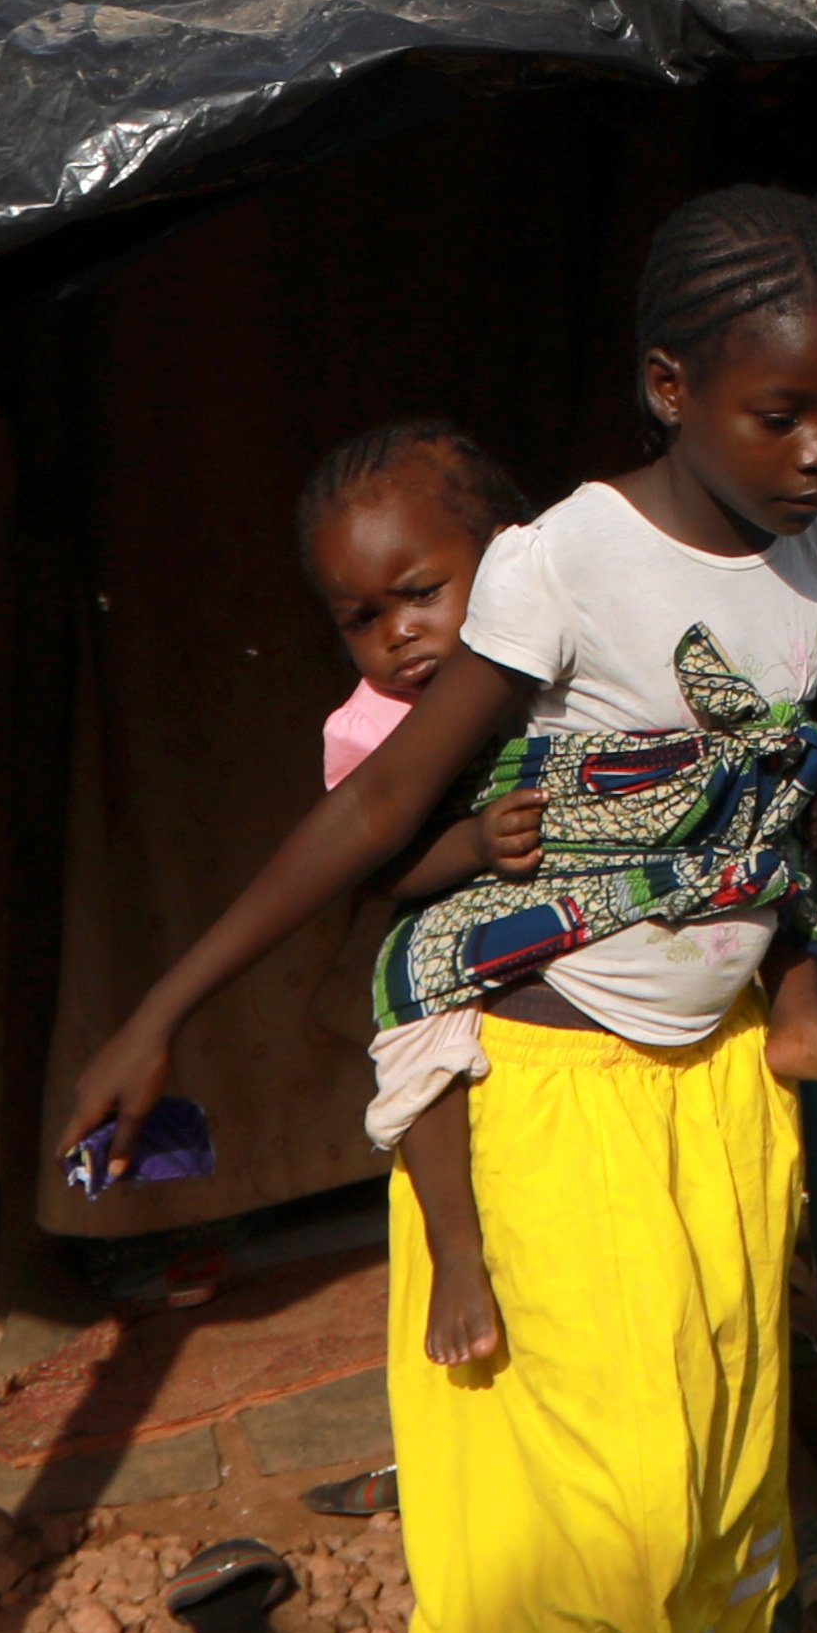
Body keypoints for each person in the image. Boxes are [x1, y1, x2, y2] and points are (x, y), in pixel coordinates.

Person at [63, 187, 817, 1633]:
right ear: (668, 387)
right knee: (558, 1562)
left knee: (694, 1515)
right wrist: (161, 1007)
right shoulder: (565, 560)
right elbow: (395, 798)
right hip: (542, 1116)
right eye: (781, 413)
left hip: (709, 1110)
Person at [291, 416, 554, 1371]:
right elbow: (378, 871)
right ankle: (457, 1253)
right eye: (362, 619)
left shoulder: (551, 659)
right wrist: (472, 845)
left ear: (504, 557)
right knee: (419, 1049)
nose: (398, 633)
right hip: (439, 918)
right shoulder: (365, 731)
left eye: (421, 595)